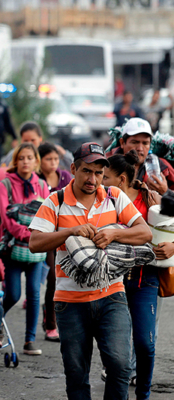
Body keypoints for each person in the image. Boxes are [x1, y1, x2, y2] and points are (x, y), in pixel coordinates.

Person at [29, 142, 153, 399]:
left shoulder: (114, 196)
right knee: (76, 375)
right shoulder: (56, 201)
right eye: (86, 171)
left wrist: (113, 234)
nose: (92, 178)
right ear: (73, 168)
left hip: (111, 296)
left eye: (98, 173)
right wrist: (71, 232)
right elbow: (35, 243)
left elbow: (145, 232)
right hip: (69, 302)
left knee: (120, 365)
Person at [103, 150, 161, 399]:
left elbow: (168, 231)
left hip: (144, 280)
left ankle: (143, 395)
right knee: (116, 351)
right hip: (110, 281)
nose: (99, 181)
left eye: (105, 177)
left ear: (122, 179)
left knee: (145, 345)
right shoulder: (101, 201)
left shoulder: (151, 199)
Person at [0, 143, 50, 355]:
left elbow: (48, 215)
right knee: (13, 294)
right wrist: (30, 235)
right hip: (12, 247)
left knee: (35, 294)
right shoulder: (5, 185)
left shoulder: (43, 186)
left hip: (36, 250)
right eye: (22, 158)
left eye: (30, 157)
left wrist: (39, 237)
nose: (25, 161)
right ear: (15, 161)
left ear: (36, 161)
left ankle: (29, 340)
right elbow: (6, 219)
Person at [36, 142, 73, 342]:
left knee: (59, 279)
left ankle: (56, 322)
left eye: (56, 159)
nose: (53, 163)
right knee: (48, 279)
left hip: (62, 233)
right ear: (39, 161)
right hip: (42, 234)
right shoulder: (36, 180)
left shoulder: (65, 177)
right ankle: (50, 324)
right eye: (48, 159)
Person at [107, 117, 174, 195]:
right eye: (134, 142)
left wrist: (165, 192)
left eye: (145, 143)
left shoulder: (163, 167)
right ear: (122, 143)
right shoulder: (107, 164)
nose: (140, 148)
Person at [1, 122, 73, 171]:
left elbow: (72, 167)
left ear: (40, 139)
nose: (30, 144)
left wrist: (63, 152)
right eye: (26, 141)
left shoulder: (48, 152)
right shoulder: (15, 154)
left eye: (33, 140)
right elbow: (3, 168)